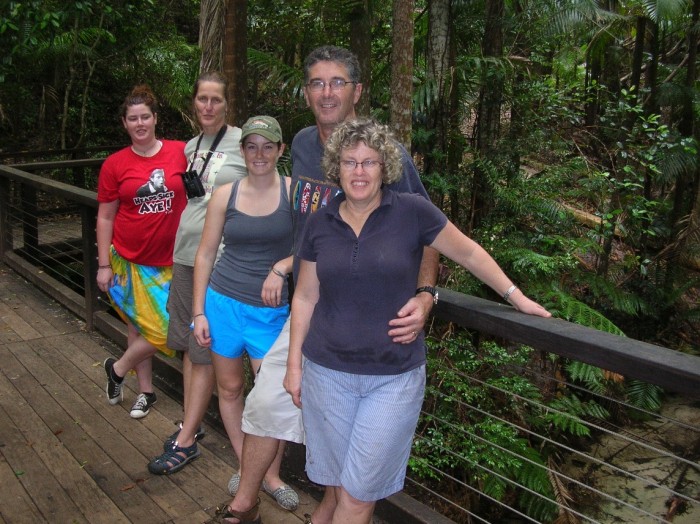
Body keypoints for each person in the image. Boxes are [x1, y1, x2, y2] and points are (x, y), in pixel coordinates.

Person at [285, 117, 552, 524]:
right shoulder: (321, 222)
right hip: (326, 373)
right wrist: (293, 367)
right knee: (339, 485)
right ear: (335, 167)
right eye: (350, 162)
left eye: (369, 162)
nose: (359, 172)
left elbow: (470, 254)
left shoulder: (411, 211)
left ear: (385, 168)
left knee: (357, 496)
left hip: (392, 377)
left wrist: (516, 297)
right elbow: (304, 297)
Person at [219, 45, 439, 524]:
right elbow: (312, 227)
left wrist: (425, 295)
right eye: (317, 83)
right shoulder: (298, 145)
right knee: (267, 402)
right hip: (309, 311)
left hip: (368, 326)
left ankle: (321, 507)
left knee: (348, 467)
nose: (327, 92)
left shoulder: (385, 154)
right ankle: (244, 504)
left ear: (357, 91)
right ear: (305, 93)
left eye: (337, 82)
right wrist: (284, 262)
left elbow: (431, 234)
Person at [146, 76, 291, 489]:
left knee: (265, 388)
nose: (208, 106)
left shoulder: (251, 153)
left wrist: (281, 265)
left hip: (246, 284)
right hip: (194, 266)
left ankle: (262, 470)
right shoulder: (191, 147)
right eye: (202, 99)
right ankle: (196, 435)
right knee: (198, 356)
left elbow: (307, 235)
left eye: (216, 100)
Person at [97, 84, 187, 419]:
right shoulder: (115, 164)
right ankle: (145, 392)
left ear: (155, 118)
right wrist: (103, 264)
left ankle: (117, 369)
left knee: (167, 327)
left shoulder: (181, 152)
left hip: (175, 259)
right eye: (132, 118)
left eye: (145, 117)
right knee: (140, 326)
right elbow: (105, 215)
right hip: (131, 257)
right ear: (124, 123)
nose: (139, 123)